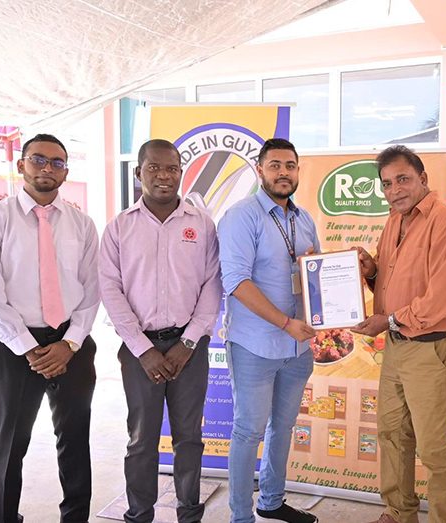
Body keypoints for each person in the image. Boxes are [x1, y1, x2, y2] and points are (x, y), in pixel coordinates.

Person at [0, 133, 99, 523]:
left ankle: (75, 517)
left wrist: (70, 343)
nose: (47, 168)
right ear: (20, 165)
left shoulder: (82, 224)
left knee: (74, 441)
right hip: (14, 348)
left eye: (57, 162)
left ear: (66, 172)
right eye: (38, 160)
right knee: (10, 445)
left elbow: (93, 291)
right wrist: (28, 348)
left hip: (72, 346)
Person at [99, 139, 221, 523]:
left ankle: (189, 513)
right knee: (141, 441)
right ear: (139, 173)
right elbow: (109, 289)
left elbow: (212, 284)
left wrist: (188, 341)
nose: (164, 176)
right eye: (154, 168)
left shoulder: (201, 224)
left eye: (172, 168)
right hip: (139, 351)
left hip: (190, 347)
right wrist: (142, 349)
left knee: (189, 439)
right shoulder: (120, 227)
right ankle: (139, 515)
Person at [352, 145, 446, 523]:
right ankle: (399, 513)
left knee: (435, 450)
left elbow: (444, 298)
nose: (394, 189)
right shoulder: (394, 221)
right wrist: (372, 273)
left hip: (431, 346)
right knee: (391, 434)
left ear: (423, 179)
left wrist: (386, 322)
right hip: (398, 345)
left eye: (402, 179)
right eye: (386, 183)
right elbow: (392, 286)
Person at [218, 138, 319, 523]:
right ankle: (240, 516)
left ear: (297, 170)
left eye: (290, 165)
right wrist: (284, 323)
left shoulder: (303, 219)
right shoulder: (242, 216)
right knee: (248, 431)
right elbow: (236, 281)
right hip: (255, 346)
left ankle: (272, 501)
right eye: (274, 165)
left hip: (297, 349)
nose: (283, 172)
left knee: (284, 426)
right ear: (260, 170)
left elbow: (315, 278)